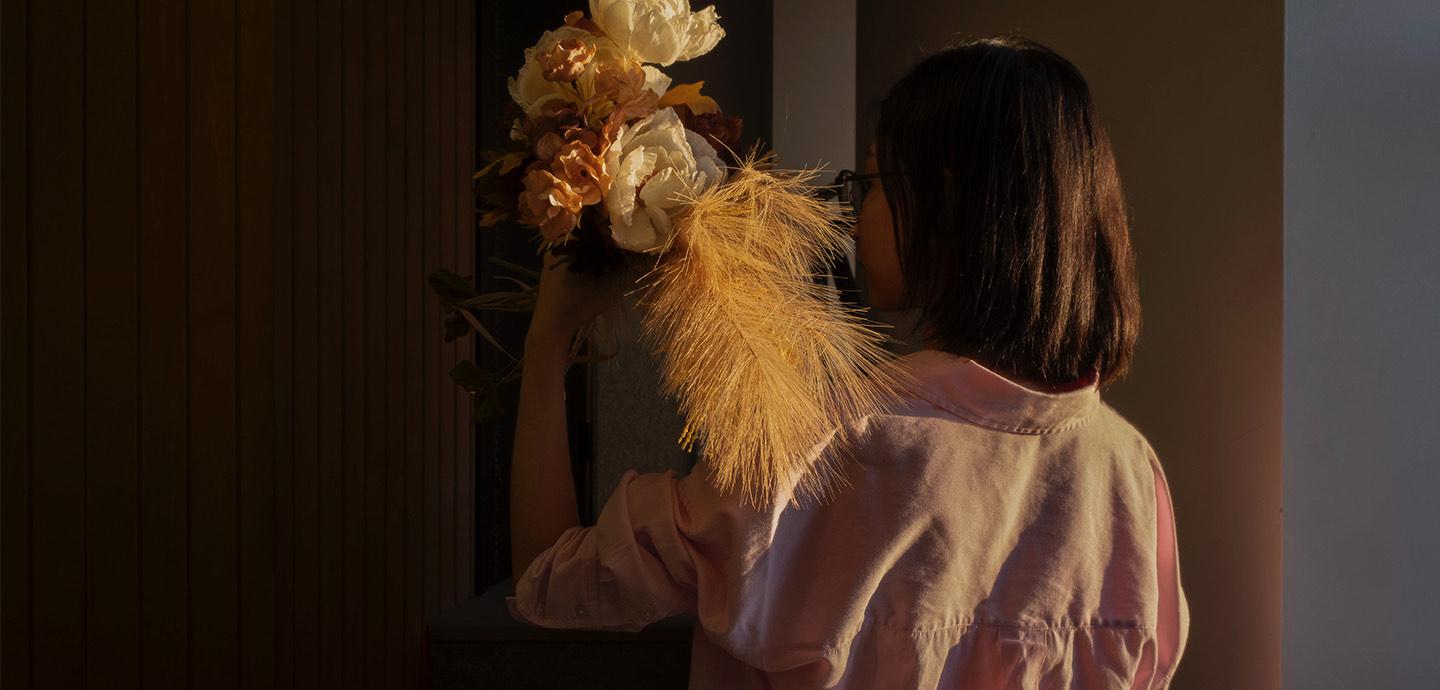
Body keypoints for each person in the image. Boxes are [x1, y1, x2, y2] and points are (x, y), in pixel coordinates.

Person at [506, 34, 1190, 690]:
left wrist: (547, 345)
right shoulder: (1132, 477)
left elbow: (550, 583)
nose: (857, 212)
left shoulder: (811, 448)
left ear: (944, 200)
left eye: (872, 178)